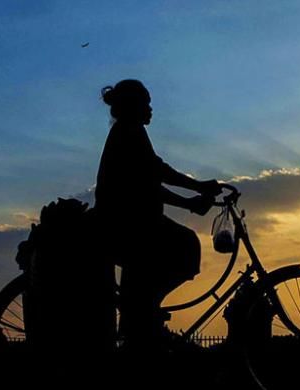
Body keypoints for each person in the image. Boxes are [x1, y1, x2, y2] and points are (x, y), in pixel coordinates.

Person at [94, 79, 222, 350]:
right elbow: (155, 173)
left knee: (150, 263)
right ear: (135, 106)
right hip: (126, 222)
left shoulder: (128, 131)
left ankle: (139, 315)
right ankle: (144, 313)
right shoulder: (129, 132)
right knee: (186, 246)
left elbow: (149, 183)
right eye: (147, 103)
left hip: (131, 220)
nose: (151, 109)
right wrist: (197, 189)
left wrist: (190, 200)